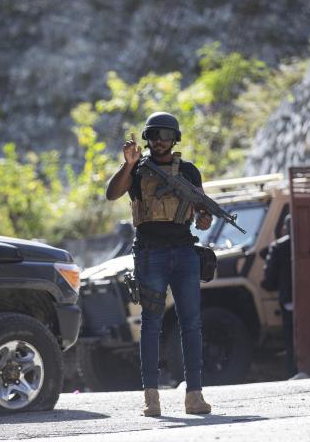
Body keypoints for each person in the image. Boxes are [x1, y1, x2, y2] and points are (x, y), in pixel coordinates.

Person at [106, 112, 213, 417]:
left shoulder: (189, 172)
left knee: (191, 323)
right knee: (151, 324)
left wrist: (204, 219)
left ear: (175, 139)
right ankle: (151, 397)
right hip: (150, 254)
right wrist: (127, 165)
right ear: (148, 138)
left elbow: (201, 214)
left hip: (183, 251)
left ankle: (194, 394)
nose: (161, 141)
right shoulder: (138, 171)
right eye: (155, 135)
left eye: (166, 136)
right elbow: (111, 194)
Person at [261, 215, 297, 378]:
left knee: (290, 338)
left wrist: (269, 286)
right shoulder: (309, 242)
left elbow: (269, 276)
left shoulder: (278, 246)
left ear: (285, 227)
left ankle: (293, 371)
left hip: (288, 298)